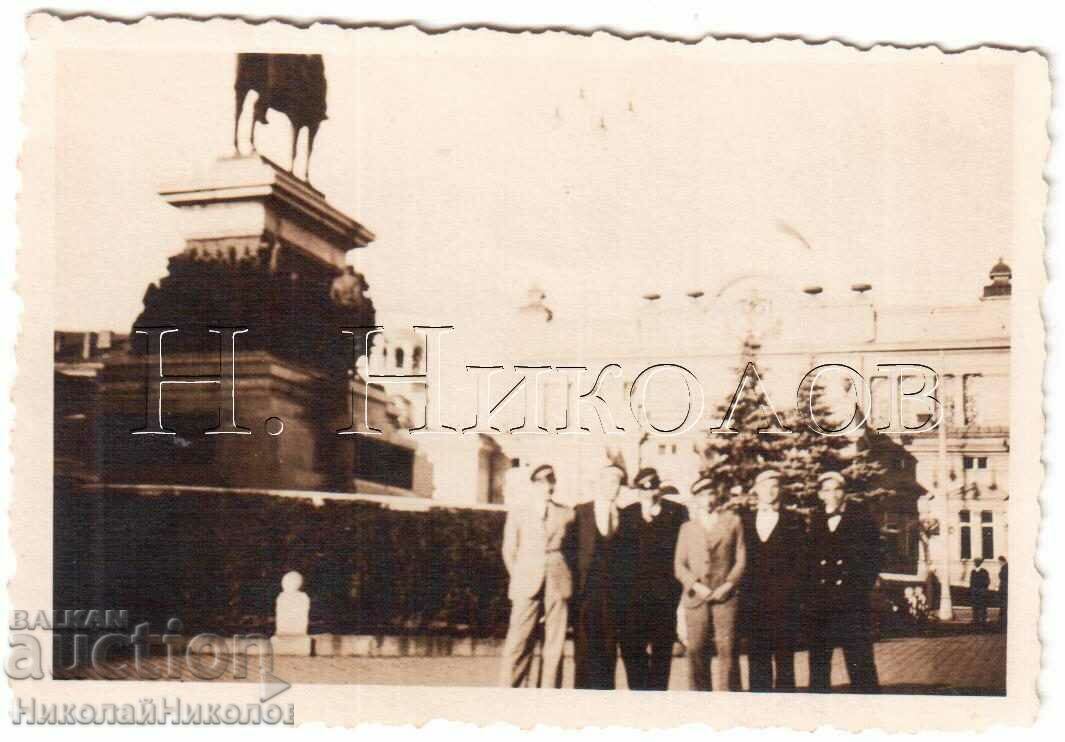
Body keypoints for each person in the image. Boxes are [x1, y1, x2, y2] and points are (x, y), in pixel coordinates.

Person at [498, 464, 576, 688]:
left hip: (557, 580)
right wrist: (519, 576)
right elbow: (509, 550)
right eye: (541, 482)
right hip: (526, 580)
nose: (547, 486)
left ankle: (549, 693)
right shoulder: (519, 512)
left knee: (555, 642)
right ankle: (508, 691)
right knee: (518, 640)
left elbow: (572, 549)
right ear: (533, 485)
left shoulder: (567, 513)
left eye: (551, 481)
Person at [807, 471, 881, 693]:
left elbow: (874, 558)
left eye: (837, 489)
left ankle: (866, 702)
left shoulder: (862, 519)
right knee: (819, 660)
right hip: (820, 602)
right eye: (827, 490)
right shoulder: (814, 520)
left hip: (852, 602)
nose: (832, 494)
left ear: (844, 493)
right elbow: (805, 560)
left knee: (859, 659)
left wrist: (860, 588)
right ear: (820, 494)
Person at [615, 467, 687, 690]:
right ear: (638, 491)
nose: (649, 493)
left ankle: (657, 696)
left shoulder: (677, 512)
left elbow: (683, 551)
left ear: (659, 489)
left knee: (661, 653)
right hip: (633, 599)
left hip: (664, 597)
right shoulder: (627, 514)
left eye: (653, 488)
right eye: (644, 490)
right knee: (632, 650)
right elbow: (620, 558)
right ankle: (638, 694)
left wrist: (676, 592)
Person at [674, 476, 746, 691]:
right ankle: (700, 697)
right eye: (702, 495)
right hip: (697, 597)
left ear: (717, 496)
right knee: (696, 650)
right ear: (695, 499)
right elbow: (679, 565)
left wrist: (728, 584)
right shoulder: (687, 528)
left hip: (725, 597)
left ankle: (729, 697)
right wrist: (696, 586)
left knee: (728, 650)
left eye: (711, 494)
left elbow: (741, 559)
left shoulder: (733, 522)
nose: (707, 499)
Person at [740, 469, 806, 692]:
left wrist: (793, 596)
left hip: (784, 601)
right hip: (753, 600)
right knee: (757, 655)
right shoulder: (744, 520)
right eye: (764, 486)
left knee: (784, 656)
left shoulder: (793, 520)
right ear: (756, 490)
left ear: (781, 490)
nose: (769, 491)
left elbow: (801, 563)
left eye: (774, 486)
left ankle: (785, 701)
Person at [573, 461, 627, 689]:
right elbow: (569, 550)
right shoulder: (581, 512)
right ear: (600, 483)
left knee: (608, 646)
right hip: (587, 591)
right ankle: (582, 694)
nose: (615, 487)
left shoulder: (624, 516)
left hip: (613, 593)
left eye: (618, 483)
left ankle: (605, 693)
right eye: (611, 482)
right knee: (585, 647)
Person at [970, 558, 991, 627]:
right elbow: (971, 582)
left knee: (983, 606)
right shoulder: (973, 571)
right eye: (975, 562)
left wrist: (983, 589)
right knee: (975, 606)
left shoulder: (984, 571)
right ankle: (975, 619)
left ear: (979, 563)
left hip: (981, 591)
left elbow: (987, 581)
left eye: (976, 562)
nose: (975, 563)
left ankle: (983, 620)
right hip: (975, 592)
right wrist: (972, 589)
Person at [998, 556, 1009, 630]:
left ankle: (1002, 621)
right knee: (1003, 605)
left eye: (999, 562)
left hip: (1004, 589)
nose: (999, 563)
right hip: (1003, 588)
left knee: (1003, 605)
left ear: (1002, 561)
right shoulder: (1005, 567)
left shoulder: (1005, 568)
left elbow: (1002, 576)